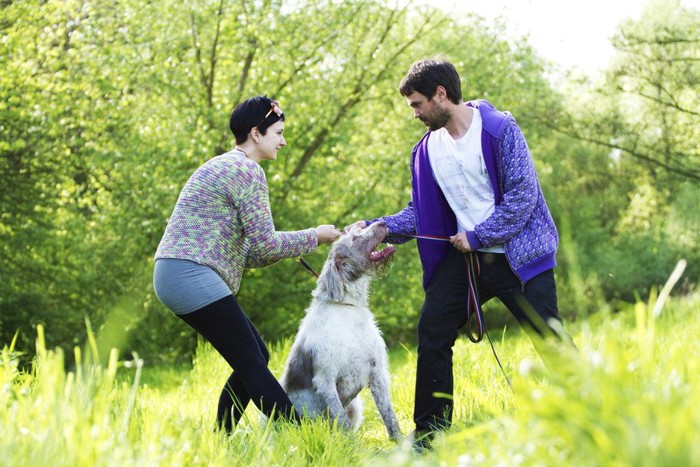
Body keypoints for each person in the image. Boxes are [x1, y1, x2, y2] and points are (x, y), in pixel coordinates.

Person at [346, 58, 573, 450]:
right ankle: (430, 435)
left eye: (417, 104)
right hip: (465, 261)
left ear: (440, 94)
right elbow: (422, 211)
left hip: (517, 256)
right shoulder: (427, 151)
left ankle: (589, 409)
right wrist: (375, 228)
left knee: (548, 335)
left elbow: (523, 196)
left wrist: (480, 234)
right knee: (432, 330)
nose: (415, 114)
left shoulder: (500, 130)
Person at [153, 95, 342, 433]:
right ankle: (304, 437)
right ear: (257, 133)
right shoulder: (246, 170)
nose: (283, 141)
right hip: (190, 272)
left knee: (254, 356)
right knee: (253, 363)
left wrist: (301, 244)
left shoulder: (223, 164)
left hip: (178, 273)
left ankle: (221, 438)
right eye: (278, 133)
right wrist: (315, 235)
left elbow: (254, 253)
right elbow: (267, 244)